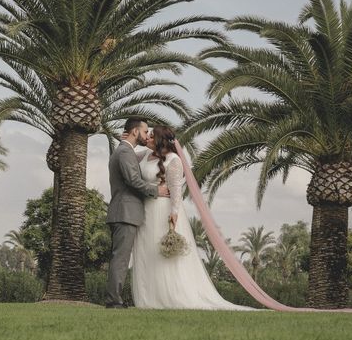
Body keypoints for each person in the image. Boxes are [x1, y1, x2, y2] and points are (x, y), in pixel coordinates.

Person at [129, 125, 255, 310]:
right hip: (145, 211)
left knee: (163, 255)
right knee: (146, 252)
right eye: (147, 134)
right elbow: (128, 152)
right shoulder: (145, 156)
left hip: (162, 211)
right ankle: (148, 299)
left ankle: (169, 297)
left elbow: (176, 190)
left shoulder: (173, 160)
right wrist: (127, 139)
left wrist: (174, 213)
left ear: (160, 140)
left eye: (151, 135)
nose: (146, 137)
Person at [105, 117, 170, 309]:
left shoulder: (126, 150)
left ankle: (115, 299)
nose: (146, 135)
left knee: (121, 257)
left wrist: (153, 146)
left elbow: (141, 155)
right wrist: (155, 190)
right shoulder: (125, 152)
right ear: (135, 132)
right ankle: (114, 301)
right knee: (121, 258)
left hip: (126, 212)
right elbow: (133, 180)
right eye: (144, 132)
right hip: (125, 212)